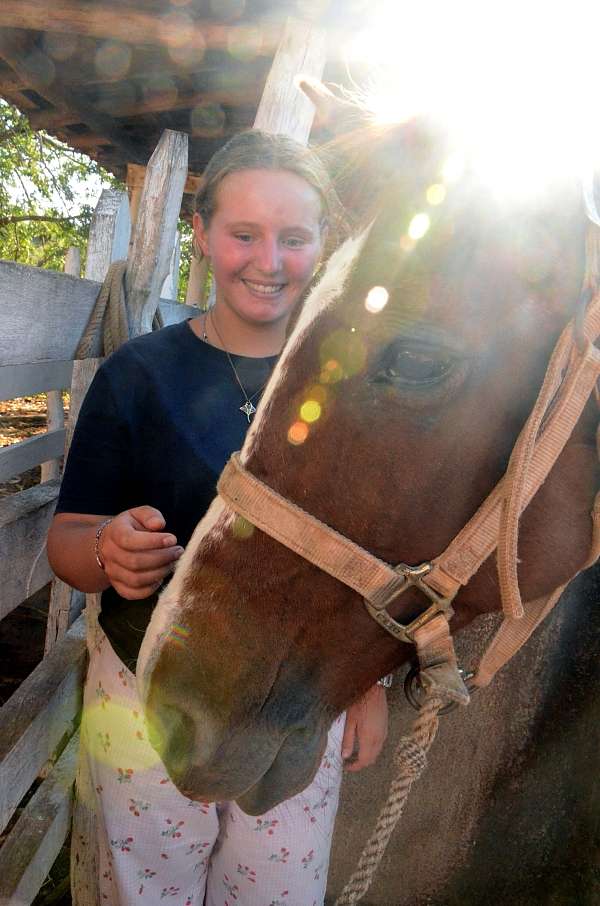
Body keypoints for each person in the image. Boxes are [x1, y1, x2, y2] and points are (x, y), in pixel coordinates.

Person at [47, 130, 388, 906]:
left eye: (294, 237)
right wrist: (105, 549)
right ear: (200, 234)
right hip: (147, 697)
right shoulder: (137, 376)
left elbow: (370, 557)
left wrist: (365, 682)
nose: (270, 260)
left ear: (323, 244)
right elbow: (67, 539)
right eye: (244, 234)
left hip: (301, 702)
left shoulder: (354, 388)